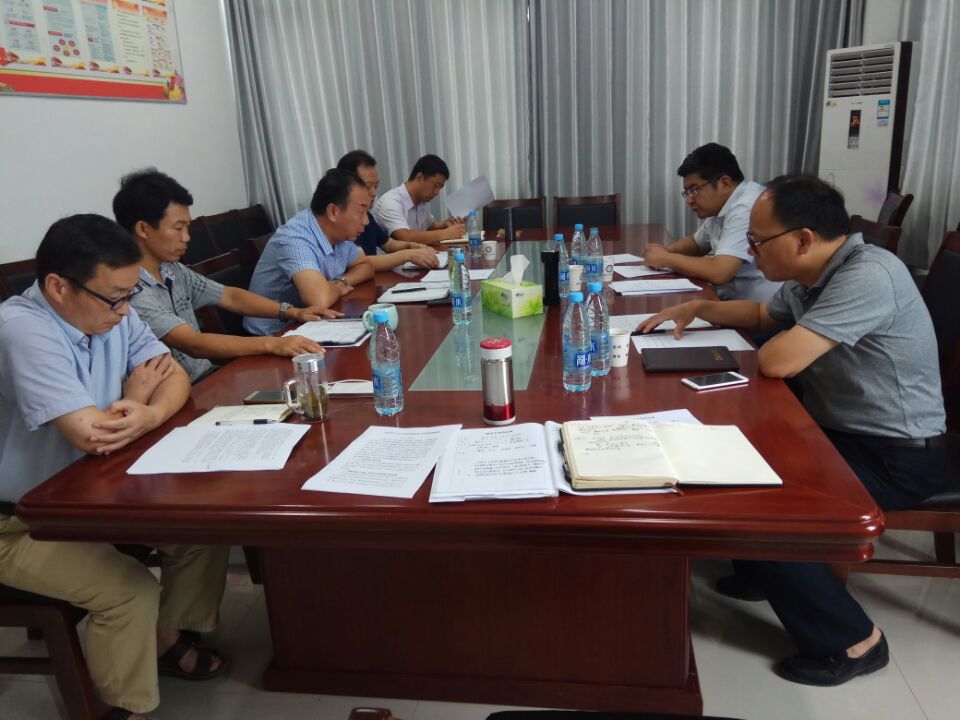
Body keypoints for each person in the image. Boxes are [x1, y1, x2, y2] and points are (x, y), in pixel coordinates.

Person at [639, 175, 946, 686]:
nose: (751, 252)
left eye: (758, 242)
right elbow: (763, 312)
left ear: (803, 239)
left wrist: (743, 332)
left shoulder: (868, 276)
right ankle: (762, 569)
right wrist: (697, 308)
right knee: (735, 460)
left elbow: (777, 360)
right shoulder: (818, 271)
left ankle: (854, 641)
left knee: (762, 504)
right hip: (842, 430)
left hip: (898, 453)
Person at [0, 215, 230, 720]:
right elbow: (93, 434)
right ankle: (120, 709)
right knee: (128, 591)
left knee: (202, 530)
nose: (126, 311)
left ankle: (167, 638)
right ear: (58, 287)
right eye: (114, 299)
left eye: (129, 296)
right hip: (18, 522)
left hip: (88, 491)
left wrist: (146, 411)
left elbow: (173, 377)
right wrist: (136, 397)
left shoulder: (109, 310)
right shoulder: (22, 328)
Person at [113, 169, 335, 384]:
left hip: (208, 377)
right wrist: (273, 344)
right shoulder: (131, 291)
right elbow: (193, 344)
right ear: (143, 229)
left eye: (187, 228)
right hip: (180, 395)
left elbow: (229, 296)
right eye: (178, 228)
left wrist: (294, 312)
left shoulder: (172, 270)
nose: (186, 237)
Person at [244, 168, 375, 336]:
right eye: (361, 212)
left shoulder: (340, 234)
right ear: (333, 212)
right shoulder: (295, 237)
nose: (366, 221)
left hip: (308, 325)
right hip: (272, 336)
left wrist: (340, 281)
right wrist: (334, 289)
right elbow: (319, 299)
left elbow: (366, 266)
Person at [644, 143, 781, 301]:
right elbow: (696, 244)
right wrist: (666, 251)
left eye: (694, 190)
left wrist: (665, 259)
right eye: (687, 192)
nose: (689, 200)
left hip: (760, 309)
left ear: (725, 183)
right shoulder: (722, 205)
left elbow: (719, 272)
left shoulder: (747, 206)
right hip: (731, 301)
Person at [336, 150, 441, 270]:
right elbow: (359, 261)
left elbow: (389, 244)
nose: (374, 193)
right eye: (368, 186)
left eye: (376, 186)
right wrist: (408, 255)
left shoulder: (367, 216)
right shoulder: (341, 220)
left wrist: (413, 246)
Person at [372, 153, 465, 246]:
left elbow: (428, 226)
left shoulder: (422, 200)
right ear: (420, 177)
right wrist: (446, 233)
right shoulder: (391, 202)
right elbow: (404, 237)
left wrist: (444, 224)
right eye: (435, 186)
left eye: (440, 188)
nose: (437, 192)